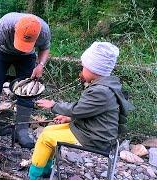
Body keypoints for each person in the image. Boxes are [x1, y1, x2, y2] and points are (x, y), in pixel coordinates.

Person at [28, 42, 135, 179]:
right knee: (48, 131)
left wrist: (53, 105)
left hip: (94, 138)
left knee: (45, 138)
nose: (82, 69)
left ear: (94, 69)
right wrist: (69, 119)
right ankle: (46, 170)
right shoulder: (106, 85)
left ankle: (33, 176)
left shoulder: (101, 91)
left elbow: (78, 109)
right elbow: (90, 111)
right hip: (93, 129)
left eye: (84, 66)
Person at [0, 12, 51, 149]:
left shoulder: (43, 30)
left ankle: (21, 130)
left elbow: (45, 48)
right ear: (14, 30)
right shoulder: (5, 25)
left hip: (27, 57)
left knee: (27, 92)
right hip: (2, 53)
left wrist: (40, 65)